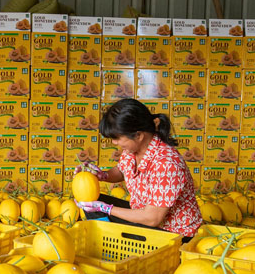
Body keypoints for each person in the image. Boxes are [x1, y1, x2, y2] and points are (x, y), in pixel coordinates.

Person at [74, 98, 202, 241]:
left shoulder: (167, 164)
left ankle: (115, 247)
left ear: (139, 135)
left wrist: (106, 209)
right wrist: (101, 175)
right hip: (143, 214)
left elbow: (152, 218)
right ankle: (111, 242)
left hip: (171, 233)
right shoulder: (132, 150)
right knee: (88, 200)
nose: (114, 142)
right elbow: (121, 171)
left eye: (117, 137)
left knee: (99, 210)